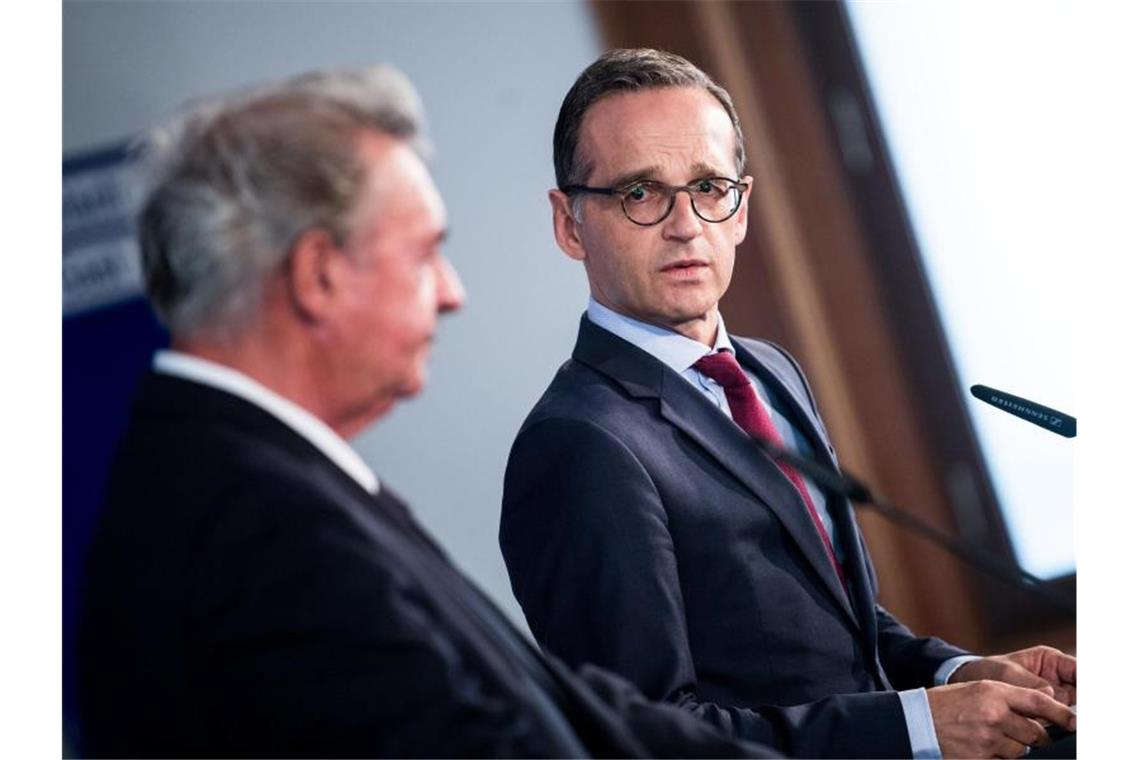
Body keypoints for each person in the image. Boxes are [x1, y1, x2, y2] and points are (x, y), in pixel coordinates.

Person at [77, 65, 782, 759]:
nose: (451, 293)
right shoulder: (253, 530)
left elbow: (567, 712)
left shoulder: (259, 477)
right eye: (425, 255)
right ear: (318, 276)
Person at [499, 48, 1076, 759]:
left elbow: (840, 630)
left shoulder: (770, 372)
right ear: (569, 224)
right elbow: (645, 740)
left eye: (709, 187)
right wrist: (920, 726)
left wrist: (960, 674)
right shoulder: (579, 445)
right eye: (641, 194)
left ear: (741, 208)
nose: (686, 224)